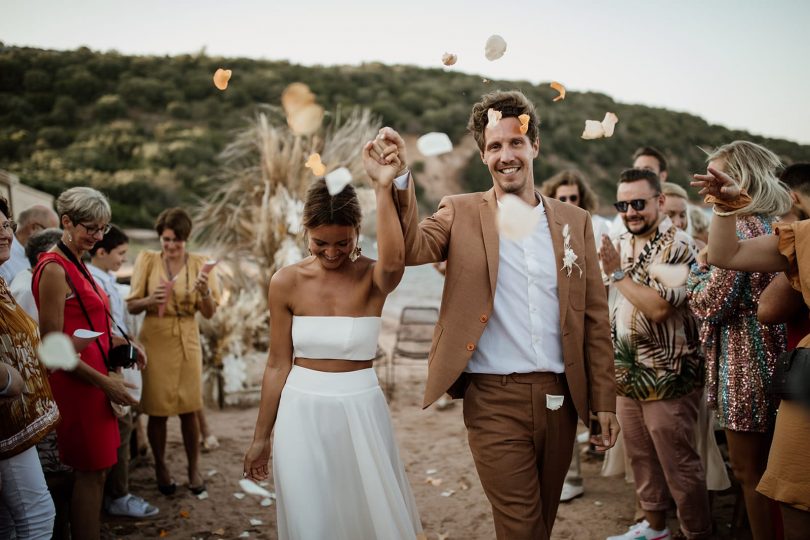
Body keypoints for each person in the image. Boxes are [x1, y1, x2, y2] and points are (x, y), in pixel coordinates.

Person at [372, 90, 619, 539]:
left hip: (561, 398)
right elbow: (411, 248)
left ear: (535, 146)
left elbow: (596, 321)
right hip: (492, 402)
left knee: (540, 524)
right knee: (522, 528)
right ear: (484, 155)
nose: (506, 155)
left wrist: (604, 402)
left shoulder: (575, 221)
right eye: (494, 146)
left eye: (515, 143)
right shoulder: (459, 211)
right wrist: (398, 179)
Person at [243, 173, 423, 539]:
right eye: (319, 242)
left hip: (361, 409)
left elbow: (394, 262)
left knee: (366, 516)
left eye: (343, 243)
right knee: (312, 518)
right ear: (305, 231)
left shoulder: (375, 277)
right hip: (300, 412)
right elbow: (278, 363)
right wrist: (261, 438)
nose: (330, 252)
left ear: (358, 231)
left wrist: (383, 187)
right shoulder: (285, 282)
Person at [692, 162, 810, 540]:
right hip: (796, 373)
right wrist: (724, 209)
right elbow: (729, 256)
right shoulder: (802, 236)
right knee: (792, 493)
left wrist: (692, 279)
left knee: (766, 479)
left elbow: (724, 300)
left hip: (760, 365)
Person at [599, 169, 711, 540]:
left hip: (670, 375)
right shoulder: (622, 241)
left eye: (638, 203)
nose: (630, 211)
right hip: (628, 374)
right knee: (641, 458)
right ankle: (655, 528)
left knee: (679, 464)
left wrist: (617, 274)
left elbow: (661, 308)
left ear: (660, 202)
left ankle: (696, 532)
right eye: (623, 204)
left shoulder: (681, 246)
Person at [35, 186, 140, 540]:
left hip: (95, 380)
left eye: (103, 229)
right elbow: (51, 345)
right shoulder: (53, 268)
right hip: (79, 385)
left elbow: (89, 323)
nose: (97, 237)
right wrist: (104, 382)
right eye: (90, 228)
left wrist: (122, 342)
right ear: (66, 221)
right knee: (90, 473)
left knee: (100, 471)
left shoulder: (78, 260)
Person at [126, 208, 219, 495]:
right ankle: (161, 467)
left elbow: (210, 313)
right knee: (157, 410)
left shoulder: (201, 264)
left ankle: (194, 468)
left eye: (176, 240)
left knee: (190, 407)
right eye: (166, 239)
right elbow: (130, 304)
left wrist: (204, 292)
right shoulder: (147, 260)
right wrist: (148, 300)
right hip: (155, 335)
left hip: (187, 336)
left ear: (186, 239)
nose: (170, 245)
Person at [0, 196, 60, 540]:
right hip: (7, 424)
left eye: (6, 225)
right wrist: (8, 378)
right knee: (37, 516)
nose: (6, 234)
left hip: (18, 422)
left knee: (10, 521)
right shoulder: (20, 282)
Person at [88, 225, 158, 518]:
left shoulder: (106, 279)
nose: (122, 259)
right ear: (101, 252)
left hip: (119, 353)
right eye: (119, 254)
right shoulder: (96, 281)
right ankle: (117, 494)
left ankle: (118, 489)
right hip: (109, 363)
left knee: (125, 423)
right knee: (121, 422)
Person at [610, 147, 670, 238]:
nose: (630, 213)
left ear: (663, 176)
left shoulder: (680, 210)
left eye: (638, 203)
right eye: (622, 205)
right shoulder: (620, 221)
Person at [9, 228, 63, 322]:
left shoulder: (31, 276)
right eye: (64, 255)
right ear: (42, 257)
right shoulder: (28, 291)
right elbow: (29, 334)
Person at [542, 169, 611, 241]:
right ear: (553, 199)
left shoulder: (598, 225)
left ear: (581, 199)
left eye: (573, 198)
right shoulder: (545, 227)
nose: (568, 203)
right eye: (562, 199)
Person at [0, 204, 59, 284]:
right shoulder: (3, 252)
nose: (54, 241)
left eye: (6, 226)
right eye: (50, 233)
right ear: (34, 227)